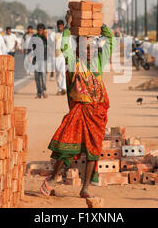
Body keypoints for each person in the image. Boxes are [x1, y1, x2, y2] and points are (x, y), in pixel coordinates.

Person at [40, 12, 115, 198]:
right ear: (79, 50)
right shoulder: (74, 63)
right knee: (66, 145)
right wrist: (68, 26)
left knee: (93, 150)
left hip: (97, 113)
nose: (88, 51)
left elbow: (110, 40)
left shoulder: (99, 62)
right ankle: (52, 179)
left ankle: (85, 188)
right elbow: (65, 47)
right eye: (84, 48)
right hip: (79, 111)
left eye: (91, 47)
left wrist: (99, 24)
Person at [30, 23, 48, 99]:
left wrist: (46, 36)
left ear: (43, 30)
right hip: (36, 60)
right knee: (37, 77)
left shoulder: (45, 38)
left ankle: (44, 91)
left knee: (43, 76)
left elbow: (49, 45)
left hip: (43, 59)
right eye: (39, 30)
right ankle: (38, 92)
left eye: (41, 30)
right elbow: (31, 47)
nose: (40, 31)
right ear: (37, 30)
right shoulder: (34, 37)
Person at [54, 20, 67, 95]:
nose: (60, 28)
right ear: (57, 27)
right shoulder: (55, 35)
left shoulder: (66, 35)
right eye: (59, 26)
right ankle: (59, 89)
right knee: (58, 74)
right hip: (56, 56)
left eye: (61, 26)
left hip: (64, 56)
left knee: (63, 72)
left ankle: (63, 88)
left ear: (63, 26)